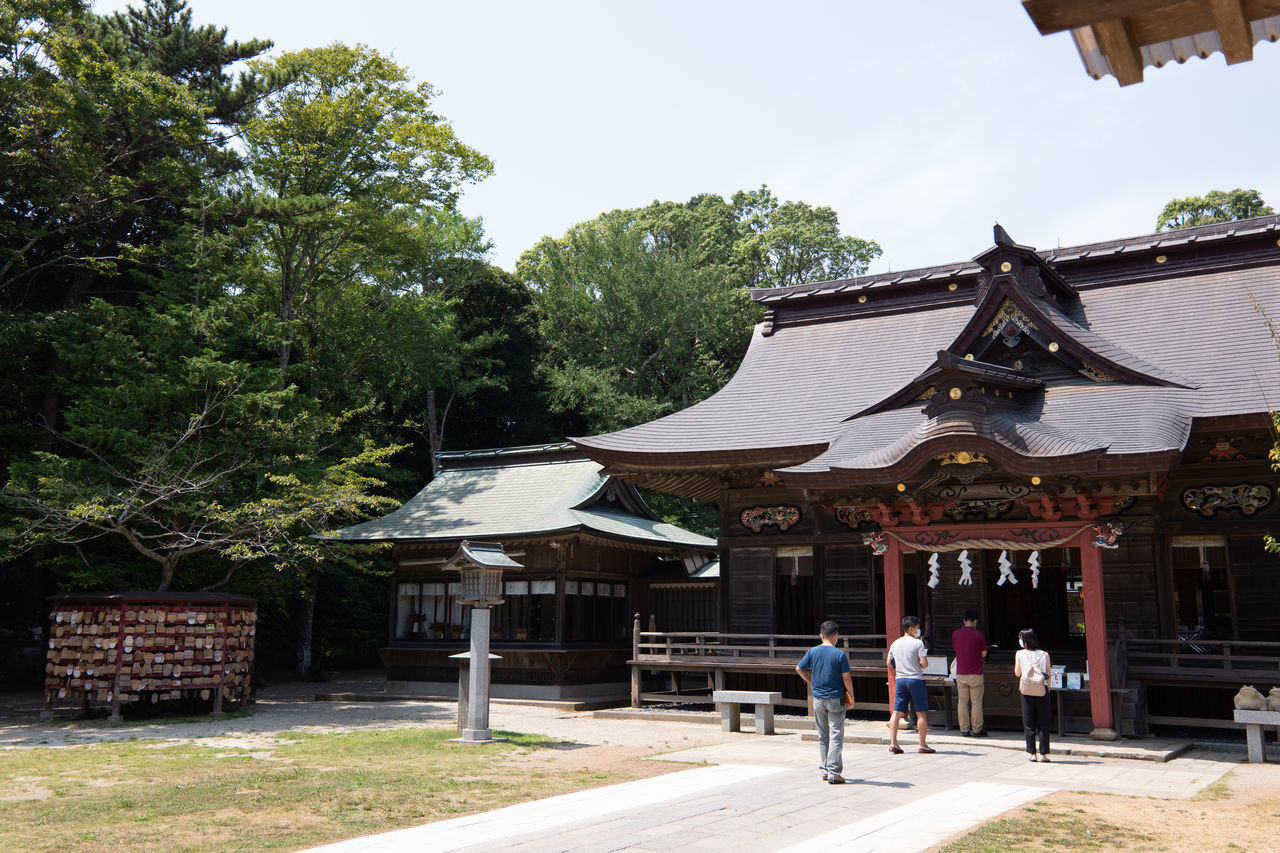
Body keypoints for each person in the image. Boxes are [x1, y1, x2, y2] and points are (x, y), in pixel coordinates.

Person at [796, 619, 854, 784]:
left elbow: (799, 668)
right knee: (836, 735)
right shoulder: (839, 654)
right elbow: (846, 677)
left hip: (818, 698)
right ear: (836, 635)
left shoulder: (813, 652)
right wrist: (851, 695)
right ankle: (834, 773)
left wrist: (811, 681)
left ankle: (824, 769)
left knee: (823, 735)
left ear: (821, 635)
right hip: (835, 697)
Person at [886, 615, 934, 754]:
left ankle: (893, 743)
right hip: (915, 679)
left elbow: (889, 663)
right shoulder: (918, 643)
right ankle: (922, 744)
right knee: (921, 712)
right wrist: (920, 666)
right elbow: (924, 663)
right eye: (917, 628)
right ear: (911, 629)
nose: (918, 631)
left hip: (901, 680)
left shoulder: (895, 643)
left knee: (896, 711)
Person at [1014, 627, 1052, 762]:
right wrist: (1048, 689)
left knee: (1028, 722)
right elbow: (1048, 673)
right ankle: (1044, 754)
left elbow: (1017, 673)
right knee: (1043, 722)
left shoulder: (1019, 654)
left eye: (1020, 638)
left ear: (1024, 640)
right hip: (1042, 689)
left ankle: (1032, 754)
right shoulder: (1044, 654)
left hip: (1026, 690)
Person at [951, 609, 989, 737]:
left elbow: (956, 649)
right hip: (975, 673)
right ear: (975, 621)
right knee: (976, 701)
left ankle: (964, 729)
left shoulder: (956, 634)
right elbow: (983, 654)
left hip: (960, 673)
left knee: (962, 701)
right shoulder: (979, 635)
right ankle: (977, 729)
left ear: (963, 620)